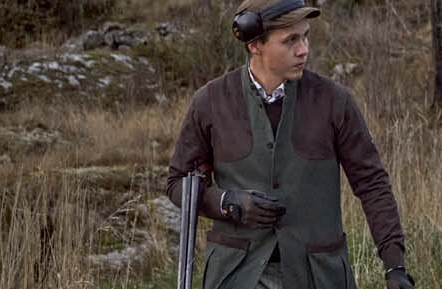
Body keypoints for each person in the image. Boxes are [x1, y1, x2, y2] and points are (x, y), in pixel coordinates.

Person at [164, 0, 414, 288]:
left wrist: (394, 265)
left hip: (317, 275)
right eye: (290, 40)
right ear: (255, 45)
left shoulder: (334, 101)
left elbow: (372, 184)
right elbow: (177, 183)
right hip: (237, 275)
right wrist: (227, 202)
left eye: (305, 36)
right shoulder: (210, 102)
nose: (303, 49)